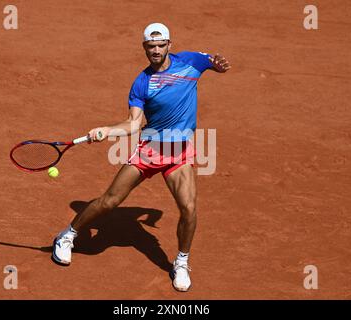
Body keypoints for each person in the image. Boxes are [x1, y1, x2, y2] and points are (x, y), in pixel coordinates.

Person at [52, 22, 231, 292]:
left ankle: (181, 261)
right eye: (151, 46)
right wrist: (108, 130)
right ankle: (68, 235)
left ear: (170, 44)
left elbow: (212, 61)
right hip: (150, 149)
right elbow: (134, 124)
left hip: (180, 151)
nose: (157, 50)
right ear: (144, 48)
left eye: (161, 45)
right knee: (110, 201)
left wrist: (217, 64)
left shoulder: (191, 62)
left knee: (189, 208)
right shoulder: (142, 83)